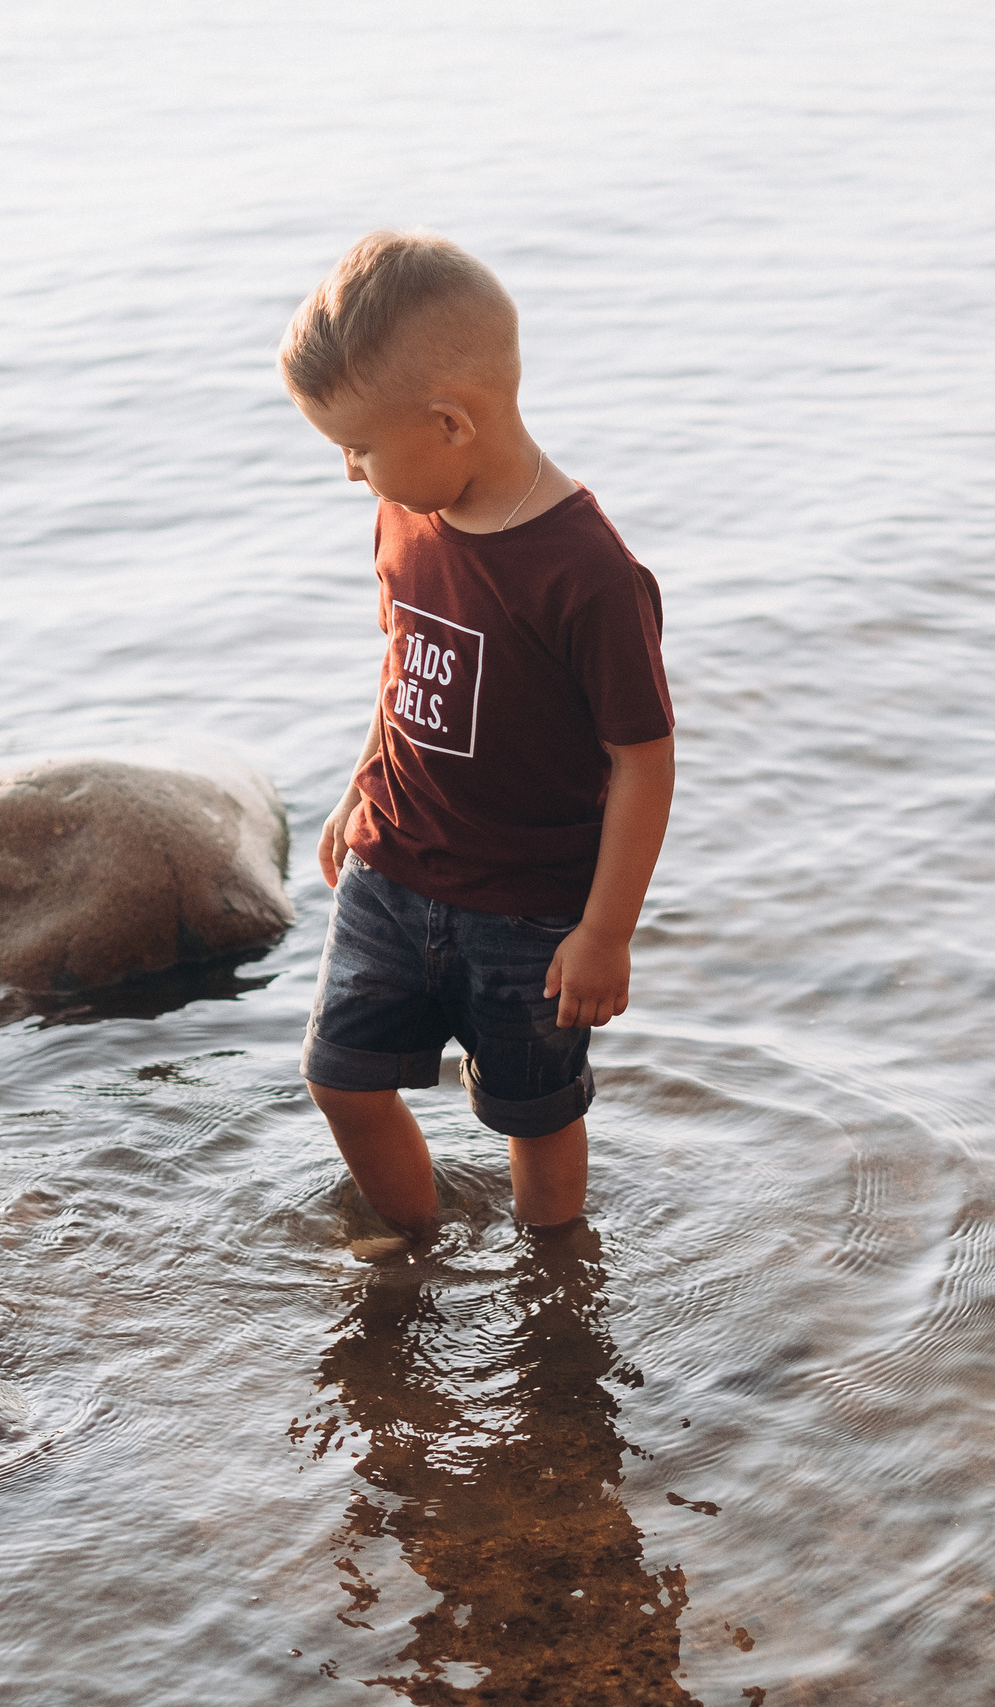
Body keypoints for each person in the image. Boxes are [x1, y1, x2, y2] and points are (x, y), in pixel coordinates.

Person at [279, 229, 676, 1247]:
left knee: (534, 1114)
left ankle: (553, 1279)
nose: (349, 474)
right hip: (394, 863)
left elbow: (643, 757)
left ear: (450, 422)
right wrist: (360, 780)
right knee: (340, 1078)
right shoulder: (407, 516)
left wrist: (606, 931)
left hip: (528, 913)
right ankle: (412, 1248)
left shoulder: (586, 572)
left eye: (359, 450)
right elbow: (406, 660)